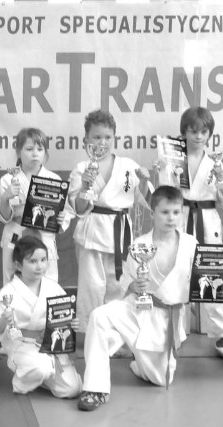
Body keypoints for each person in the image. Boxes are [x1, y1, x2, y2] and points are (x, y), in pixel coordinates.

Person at [77, 186, 196, 411]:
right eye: (165, 212)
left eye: (176, 212)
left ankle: (139, 363)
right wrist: (133, 285)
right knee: (100, 316)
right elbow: (126, 282)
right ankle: (95, 389)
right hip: (137, 309)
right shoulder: (139, 244)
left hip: (165, 319)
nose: (171, 218)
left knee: (160, 379)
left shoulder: (191, 245)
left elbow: (203, 280)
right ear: (153, 213)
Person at [155, 107, 223, 359]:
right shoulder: (172, 158)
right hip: (179, 219)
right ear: (184, 132)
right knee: (177, 274)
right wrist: (163, 170)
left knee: (212, 276)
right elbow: (164, 193)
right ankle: (175, 332)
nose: (198, 136)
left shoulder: (215, 164)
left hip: (207, 223)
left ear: (209, 134)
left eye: (203, 131)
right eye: (193, 131)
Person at [68, 109, 151, 332]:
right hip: (92, 233)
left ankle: (118, 331)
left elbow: (143, 200)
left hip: (120, 232)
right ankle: (90, 332)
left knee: (118, 285)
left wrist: (143, 182)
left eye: (107, 137)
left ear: (114, 138)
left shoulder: (128, 166)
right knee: (91, 287)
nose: (102, 142)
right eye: (96, 137)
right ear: (86, 140)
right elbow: (79, 208)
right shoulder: (81, 169)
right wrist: (85, 185)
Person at [0, 236, 83, 398]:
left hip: (50, 345)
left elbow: (63, 316)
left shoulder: (53, 287)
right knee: (41, 366)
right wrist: (2, 321)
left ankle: (40, 376)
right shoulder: (8, 293)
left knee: (72, 389)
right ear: (18, 265)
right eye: (33, 261)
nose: (39, 266)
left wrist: (71, 324)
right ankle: (21, 382)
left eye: (43, 260)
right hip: (22, 345)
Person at [0, 128, 71, 283]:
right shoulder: (8, 179)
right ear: (18, 152)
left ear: (45, 153)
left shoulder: (54, 179)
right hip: (16, 235)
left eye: (40, 149)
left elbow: (65, 213)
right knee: (14, 282)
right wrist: (5, 198)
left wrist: (61, 218)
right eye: (29, 149)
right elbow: (5, 216)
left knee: (48, 283)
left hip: (44, 236)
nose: (35, 153)